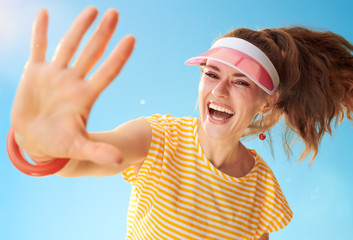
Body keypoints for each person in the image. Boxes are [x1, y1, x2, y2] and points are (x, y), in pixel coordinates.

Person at [8, 6, 353, 240]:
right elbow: (80, 159)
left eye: (241, 81)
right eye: (211, 73)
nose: (219, 90)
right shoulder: (159, 138)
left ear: (267, 101)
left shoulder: (263, 189)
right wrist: (39, 144)